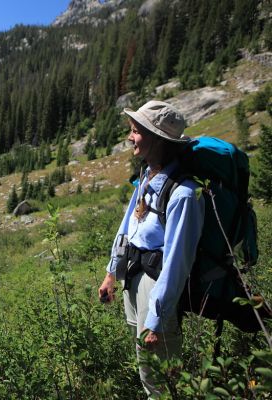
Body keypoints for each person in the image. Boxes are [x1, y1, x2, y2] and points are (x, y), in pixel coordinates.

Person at [98, 100, 205, 397]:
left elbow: (176, 264)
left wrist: (156, 320)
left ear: (157, 138)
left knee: (163, 379)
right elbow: (127, 229)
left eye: (135, 131)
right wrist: (111, 273)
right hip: (134, 279)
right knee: (147, 372)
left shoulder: (183, 194)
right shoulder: (147, 178)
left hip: (156, 288)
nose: (130, 137)